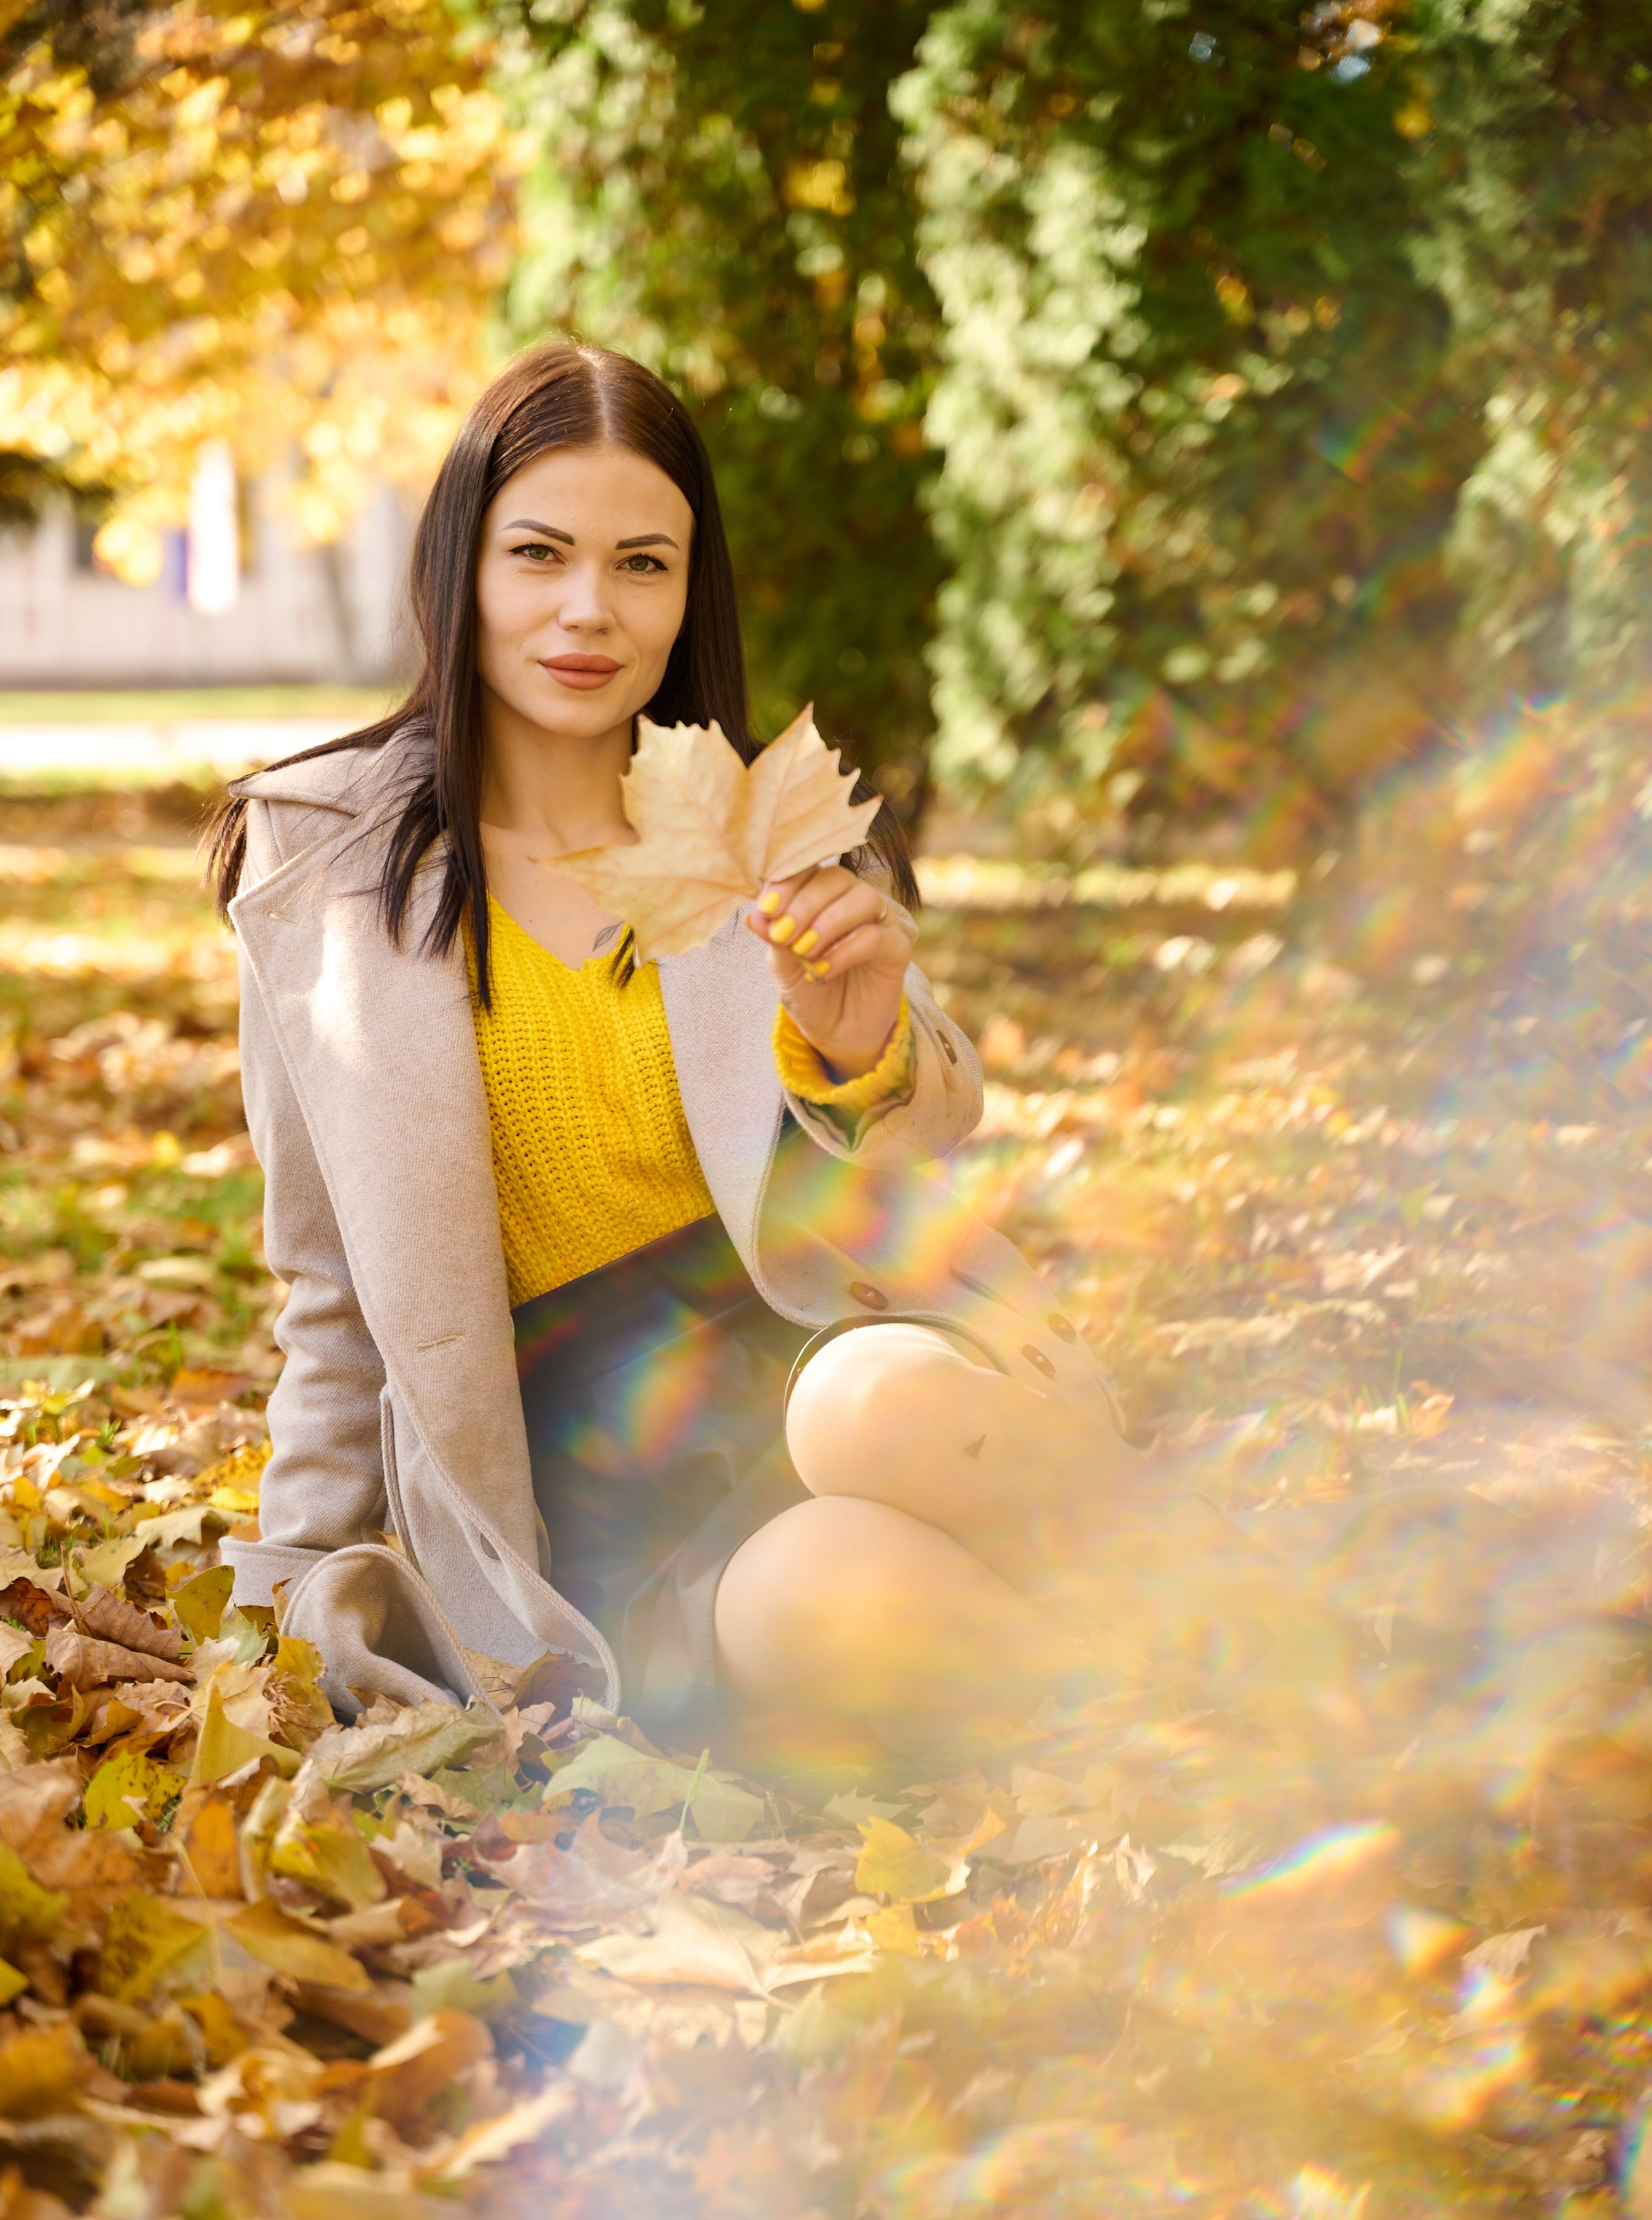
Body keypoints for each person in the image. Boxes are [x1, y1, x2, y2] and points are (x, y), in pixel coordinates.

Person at [207, 340, 1309, 1780]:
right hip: (588, 1475)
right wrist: (282, 1585)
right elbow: (327, 1290)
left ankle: (1285, 1647)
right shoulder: (324, 868)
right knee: (811, 1597)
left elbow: (902, 1188)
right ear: (458, 564)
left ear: (688, 591)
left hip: (822, 1343)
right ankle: (1239, 1741)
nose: (586, 610)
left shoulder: (758, 834)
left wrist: (857, 1051)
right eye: (537, 554)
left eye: (641, 564)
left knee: (869, 1399)